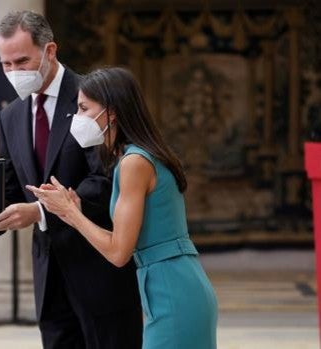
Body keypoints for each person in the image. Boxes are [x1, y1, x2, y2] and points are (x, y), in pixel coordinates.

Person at [0, 11, 142, 349]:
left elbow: (105, 178)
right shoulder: (10, 116)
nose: (15, 72)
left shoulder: (92, 97)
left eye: (22, 61)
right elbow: (13, 189)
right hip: (48, 273)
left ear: (50, 51)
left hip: (100, 269)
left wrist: (41, 211)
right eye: (6, 64)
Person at [28, 67, 218, 349]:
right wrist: (74, 212)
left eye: (83, 108)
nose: (76, 118)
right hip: (173, 285)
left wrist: (70, 213)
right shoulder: (136, 157)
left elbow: (118, 252)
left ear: (112, 113)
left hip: (172, 291)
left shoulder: (133, 163)